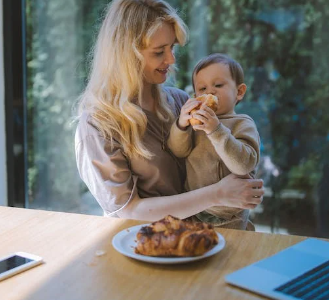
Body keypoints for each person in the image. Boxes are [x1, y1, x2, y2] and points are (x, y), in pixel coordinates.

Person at [75, 0, 264, 222]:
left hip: (201, 241)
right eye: (159, 52)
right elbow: (127, 211)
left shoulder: (180, 101)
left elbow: (223, 159)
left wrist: (241, 187)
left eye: (172, 47)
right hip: (144, 246)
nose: (171, 59)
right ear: (126, 55)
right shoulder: (98, 125)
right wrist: (218, 194)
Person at [167, 53, 260, 229]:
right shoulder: (196, 123)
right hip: (194, 210)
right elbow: (178, 151)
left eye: (218, 85)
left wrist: (216, 130)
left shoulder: (242, 123)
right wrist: (181, 125)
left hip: (230, 214)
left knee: (229, 253)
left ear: (239, 92)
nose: (210, 91)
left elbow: (244, 165)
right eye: (202, 89)